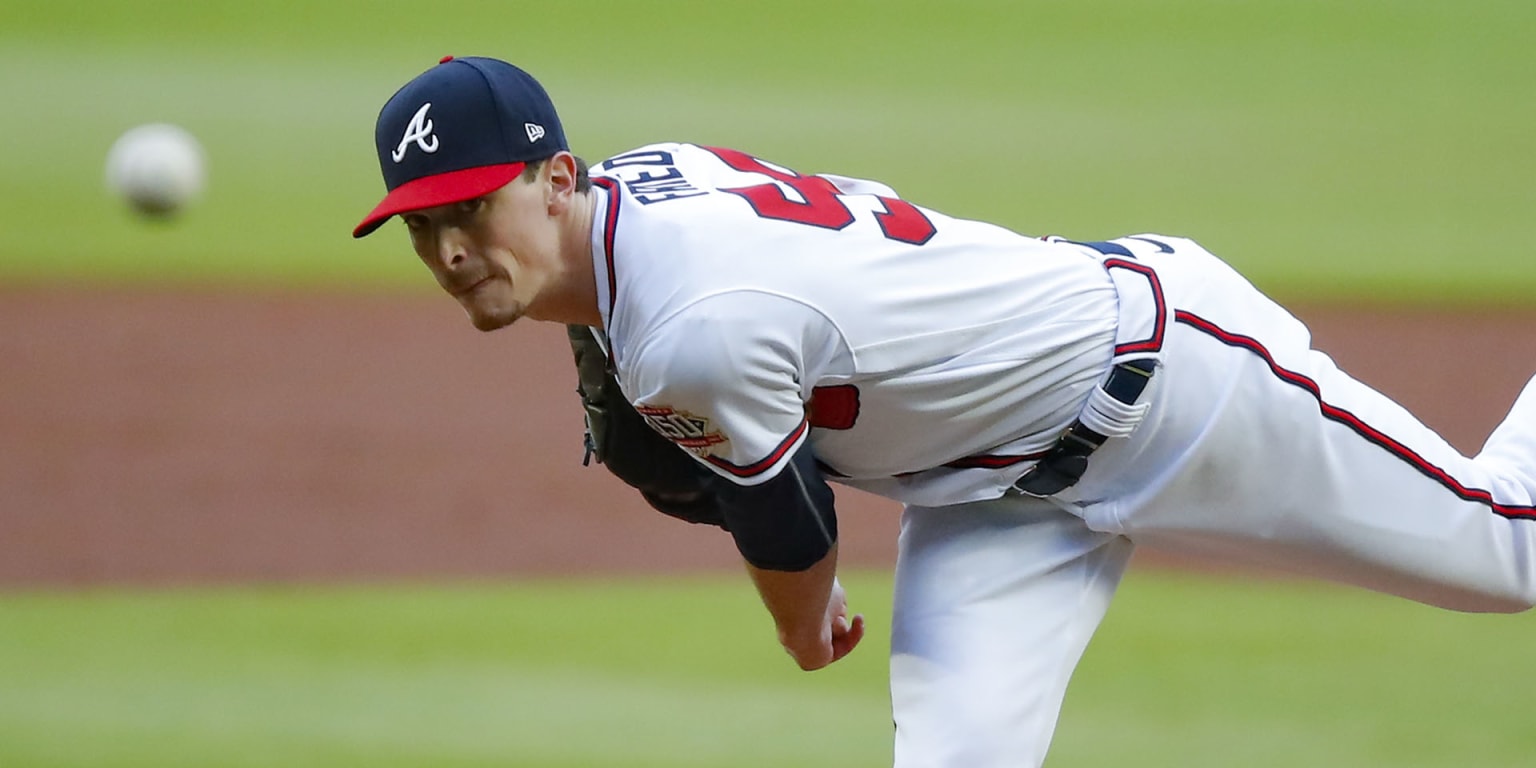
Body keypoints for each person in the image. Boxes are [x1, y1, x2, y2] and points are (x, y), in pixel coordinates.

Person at [353, 56, 1536, 768]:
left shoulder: (689, 331)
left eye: (472, 207)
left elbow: (793, 532)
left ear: (559, 176)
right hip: (994, 498)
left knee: (1507, 545)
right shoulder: (641, 191)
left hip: (1175, 381)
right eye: (421, 222)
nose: (450, 247)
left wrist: (804, 628)